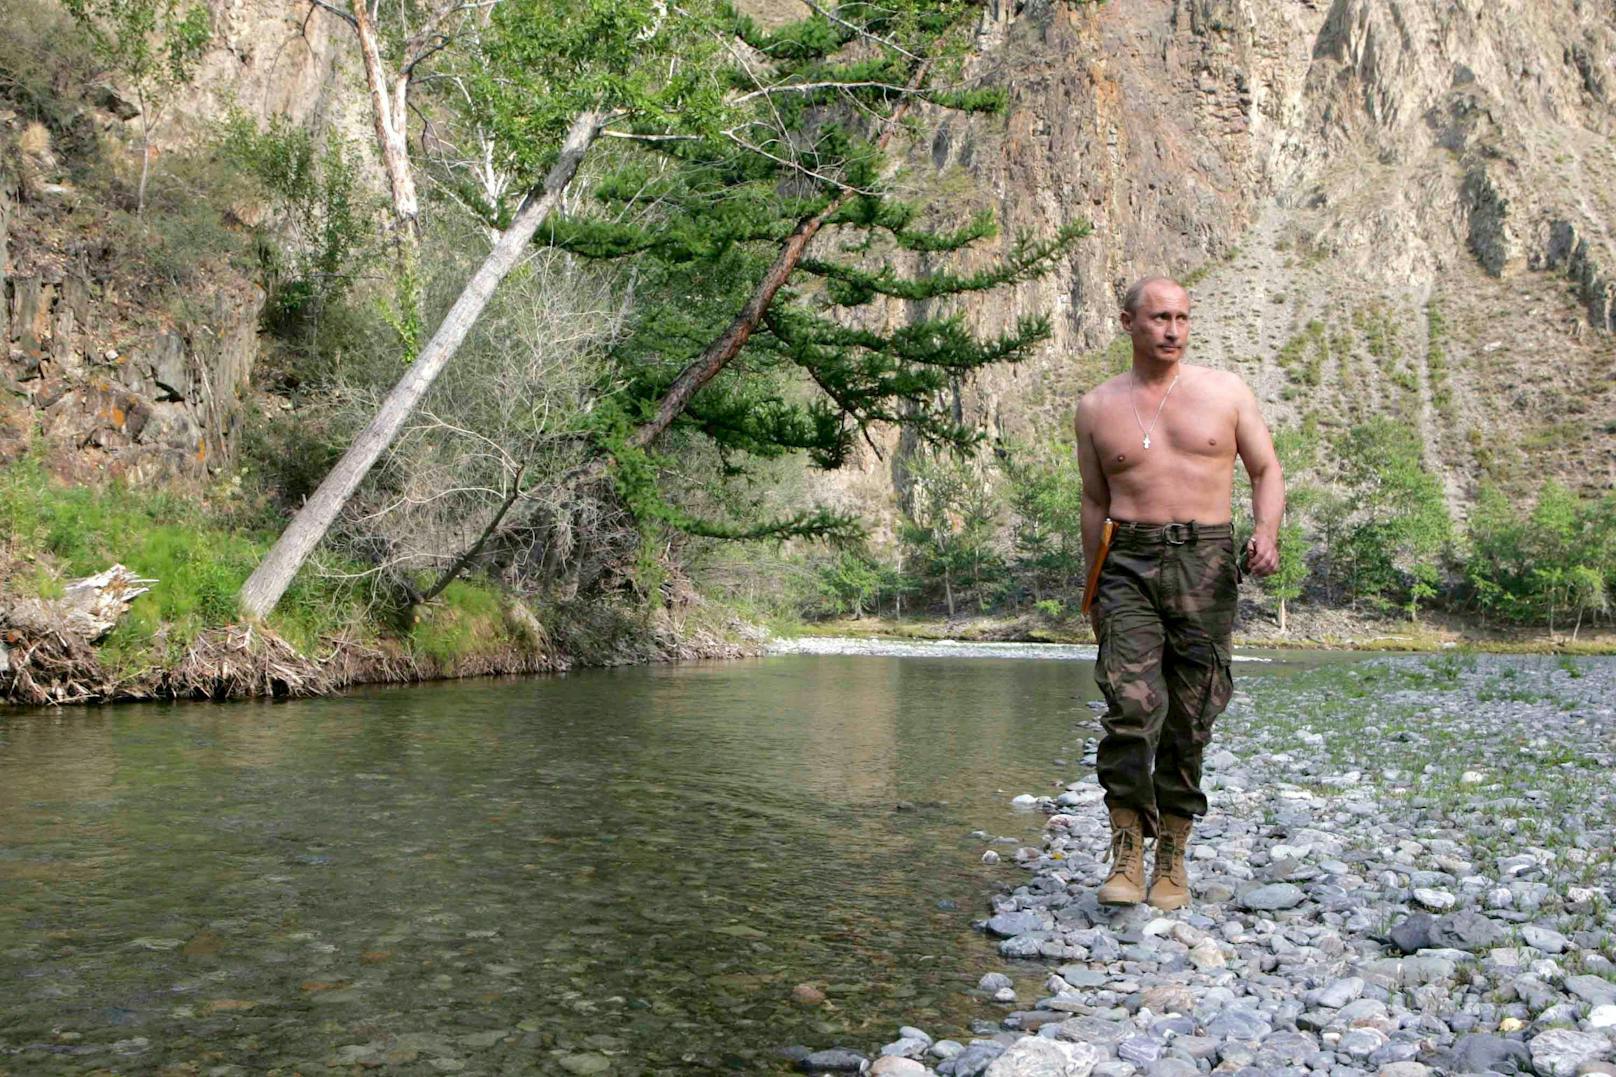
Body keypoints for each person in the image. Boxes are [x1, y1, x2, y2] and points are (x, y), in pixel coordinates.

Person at [1072, 276, 1284, 909]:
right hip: (1127, 563)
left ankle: (1172, 856)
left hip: (1207, 560)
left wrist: (1267, 530)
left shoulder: (1226, 392)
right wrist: (1092, 594)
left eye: (1183, 318)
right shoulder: (1096, 407)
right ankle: (1128, 851)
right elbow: (1093, 501)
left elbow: (1265, 469)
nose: (1172, 329)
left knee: (1192, 716)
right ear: (1127, 322)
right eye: (1160, 317)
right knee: (1132, 710)